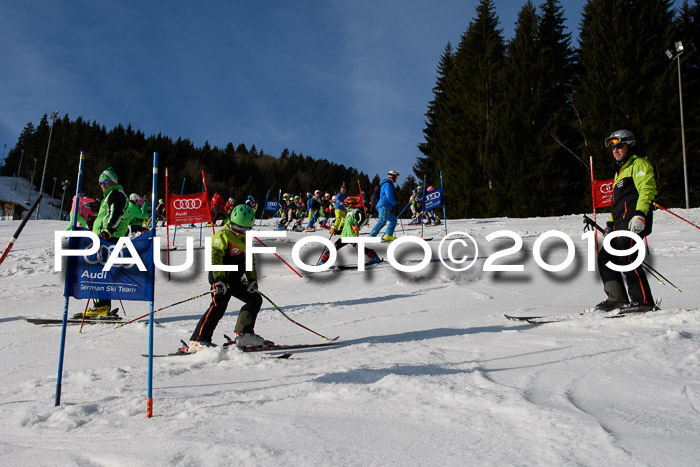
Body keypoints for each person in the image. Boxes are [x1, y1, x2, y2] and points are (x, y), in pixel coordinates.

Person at [187, 204, 271, 351]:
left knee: (254, 299)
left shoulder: (245, 239)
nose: (239, 232)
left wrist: (252, 279)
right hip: (221, 279)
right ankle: (199, 340)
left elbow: (249, 260)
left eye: (244, 229)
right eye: (237, 228)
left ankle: (244, 334)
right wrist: (219, 280)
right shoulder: (223, 235)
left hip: (236, 279)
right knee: (219, 305)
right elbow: (214, 257)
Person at [595, 129, 657, 313]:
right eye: (613, 148)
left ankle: (643, 301)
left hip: (633, 221)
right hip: (620, 224)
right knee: (605, 257)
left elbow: (647, 189)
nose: (615, 150)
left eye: (619, 146)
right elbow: (617, 203)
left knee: (626, 257)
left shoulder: (639, 164)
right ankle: (617, 298)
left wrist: (640, 214)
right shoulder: (620, 172)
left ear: (629, 145)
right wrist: (610, 223)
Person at [84, 167, 131, 317]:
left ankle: (102, 307)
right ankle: (102, 306)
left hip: (109, 238)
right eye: (100, 183)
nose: (102, 185)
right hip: (104, 237)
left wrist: (108, 230)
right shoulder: (110, 195)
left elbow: (115, 214)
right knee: (99, 272)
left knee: (100, 272)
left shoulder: (117, 194)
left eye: (105, 182)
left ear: (113, 182)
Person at [318, 197, 382, 266]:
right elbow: (346, 227)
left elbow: (363, 219)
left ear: (351, 204)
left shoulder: (356, 211)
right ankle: (323, 261)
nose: (345, 206)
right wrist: (335, 231)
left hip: (352, 235)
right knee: (335, 247)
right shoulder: (348, 213)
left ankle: (375, 257)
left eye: (346, 204)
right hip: (344, 236)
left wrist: (358, 227)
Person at [369, 170, 400, 242]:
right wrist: (395, 204)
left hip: (386, 206)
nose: (397, 179)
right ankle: (371, 237)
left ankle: (387, 235)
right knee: (382, 221)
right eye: (396, 177)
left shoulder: (388, 184)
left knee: (393, 220)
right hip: (383, 205)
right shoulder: (388, 184)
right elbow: (388, 196)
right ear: (393, 176)